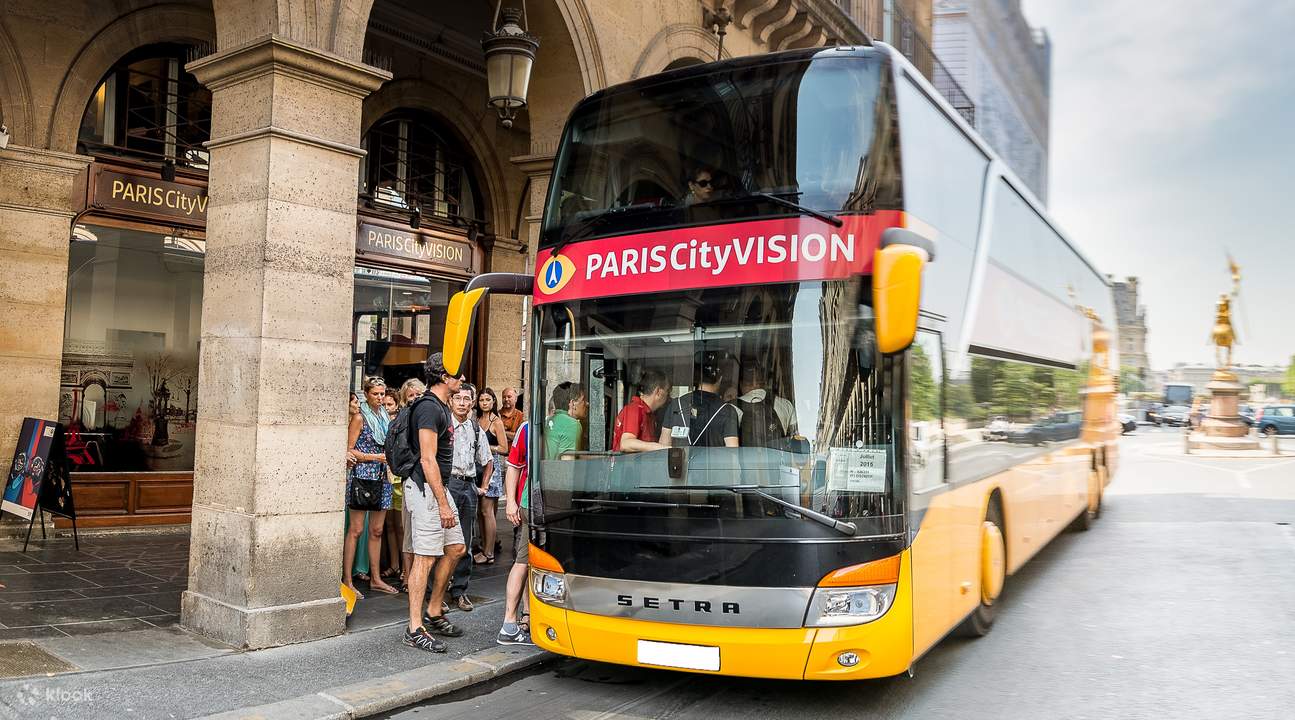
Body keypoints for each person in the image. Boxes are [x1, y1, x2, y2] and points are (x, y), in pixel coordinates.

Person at [402, 353, 467, 653]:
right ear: (443, 378)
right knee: (425, 557)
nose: (462, 379)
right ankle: (415, 628)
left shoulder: (441, 406)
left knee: (455, 548)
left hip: (438, 489)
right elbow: (427, 459)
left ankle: (434, 610)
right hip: (426, 489)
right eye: (457, 375)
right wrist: (442, 503)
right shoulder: (428, 407)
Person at [344, 377, 399, 598]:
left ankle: (376, 578)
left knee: (377, 530)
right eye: (375, 394)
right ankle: (348, 580)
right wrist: (374, 457)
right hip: (362, 475)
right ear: (366, 394)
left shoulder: (385, 416)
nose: (379, 397)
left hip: (383, 477)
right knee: (356, 530)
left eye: (382, 393)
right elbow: (348, 449)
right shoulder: (359, 417)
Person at [446, 383, 494, 612]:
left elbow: (488, 460)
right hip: (448, 484)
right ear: (450, 401)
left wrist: (482, 486)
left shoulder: (476, 430)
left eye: (467, 399)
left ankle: (460, 590)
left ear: (472, 403)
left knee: (465, 540)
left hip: (468, 486)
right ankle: (436, 590)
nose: (462, 403)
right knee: (440, 538)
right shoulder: (444, 426)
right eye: (458, 399)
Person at [497, 420, 533, 646]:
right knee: (523, 561)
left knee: (529, 561)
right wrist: (510, 502)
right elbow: (513, 466)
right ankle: (512, 622)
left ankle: (528, 614)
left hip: (536, 504)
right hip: (528, 505)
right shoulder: (527, 428)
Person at [659, 351, 740, 448]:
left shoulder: (676, 404)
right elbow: (732, 452)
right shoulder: (727, 411)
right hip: (713, 463)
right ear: (720, 379)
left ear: (696, 377)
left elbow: (663, 447)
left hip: (680, 463)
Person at [475, 388, 509, 565]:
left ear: (493, 401)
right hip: (477, 468)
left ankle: (489, 552)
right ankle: (483, 545)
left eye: (488, 399)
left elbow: (504, 449)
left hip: (492, 468)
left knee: (488, 511)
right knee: (480, 511)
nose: (485, 403)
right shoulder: (475, 419)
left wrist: (488, 447)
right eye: (481, 400)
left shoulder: (497, 422)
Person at [734, 364, 797, 446]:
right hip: (777, 457)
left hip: (746, 457)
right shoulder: (786, 405)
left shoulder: (731, 407)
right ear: (765, 383)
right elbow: (794, 437)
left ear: (741, 385)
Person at [612, 369, 671, 453]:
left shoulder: (650, 414)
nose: (669, 397)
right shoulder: (634, 409)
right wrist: (662, 448)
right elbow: (626, 444)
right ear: (658, 392)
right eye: (667, 391)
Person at [545, 382, 588, 459]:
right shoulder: (572, 424)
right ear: (573, 404)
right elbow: (567, 464)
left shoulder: (549, 420)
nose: (587, 404)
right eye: (583, 400)